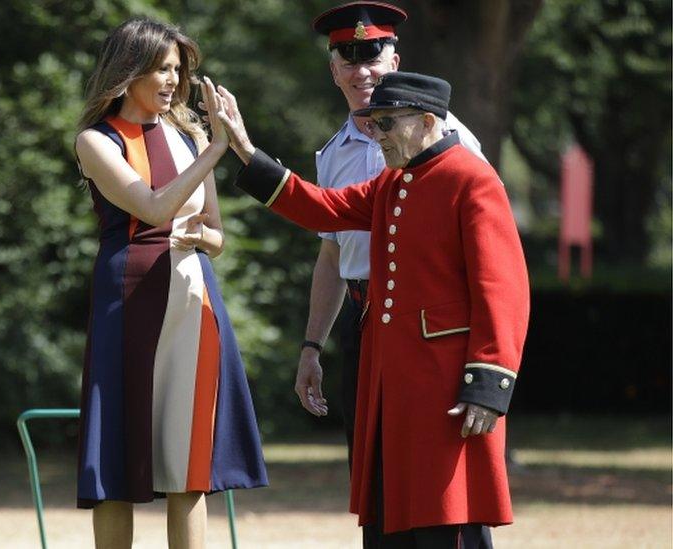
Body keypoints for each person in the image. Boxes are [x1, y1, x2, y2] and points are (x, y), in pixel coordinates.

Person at [216, 71, 529, 547]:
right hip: (390, 380)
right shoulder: (390, 182)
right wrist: (243, 149)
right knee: (390, 512)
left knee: (447, 518)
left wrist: (489, 382)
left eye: (386, 122)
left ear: (427, 121)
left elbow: (502, 288)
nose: (375, 133)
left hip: (446, 384)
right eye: (372, 122)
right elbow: (319, 207)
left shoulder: (471, 178)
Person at [73, 18, 267, 549]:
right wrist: (218, 148)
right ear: (128, 69)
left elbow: (218, 237)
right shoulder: (96, 140)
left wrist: (201, 234)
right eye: (161, 69)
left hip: (192, 296)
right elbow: (153, 207)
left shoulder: (191, 136)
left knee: (189, 463)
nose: (171, 81)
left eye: (177, 71)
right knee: (117, 457)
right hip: (128, 295)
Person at [295, 3, 485, 470]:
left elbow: (485, 259)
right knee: (371, 466)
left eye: (372, 59)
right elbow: (332, 256)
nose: (362, 72)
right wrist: (312, 347)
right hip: (362, 320)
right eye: (349, 60)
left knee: (437, 470)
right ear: (333, 70)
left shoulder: (448, 137)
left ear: (394, 63)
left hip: (428, 322)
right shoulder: (332, 155)